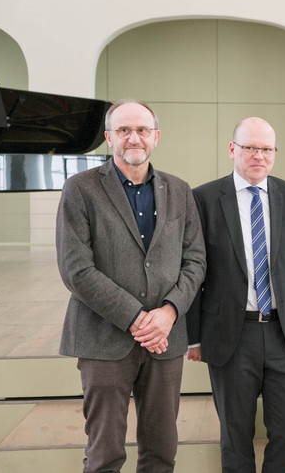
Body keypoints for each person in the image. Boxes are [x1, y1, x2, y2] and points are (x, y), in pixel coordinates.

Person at [56, 99, 206, 473]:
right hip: (103, 339)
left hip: (166, 340)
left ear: (156, 137)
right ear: (109, 138)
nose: (133, 137)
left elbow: (195, 260)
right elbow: (75, 269)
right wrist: (138, 319)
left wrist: (169, 312)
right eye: (124, 130)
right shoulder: (80, 189)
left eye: (141, 130)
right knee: (104, 454)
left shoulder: (180, 190)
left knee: (161, 452)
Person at [186, 117, 285, 473]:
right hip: (231, 335)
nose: (259, 155)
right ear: (232, 150)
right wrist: (193, 336)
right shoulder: (205, 198)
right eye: (250, 148)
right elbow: (194, 271)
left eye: (267, 149)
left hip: (284, 334)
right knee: (236, 435)